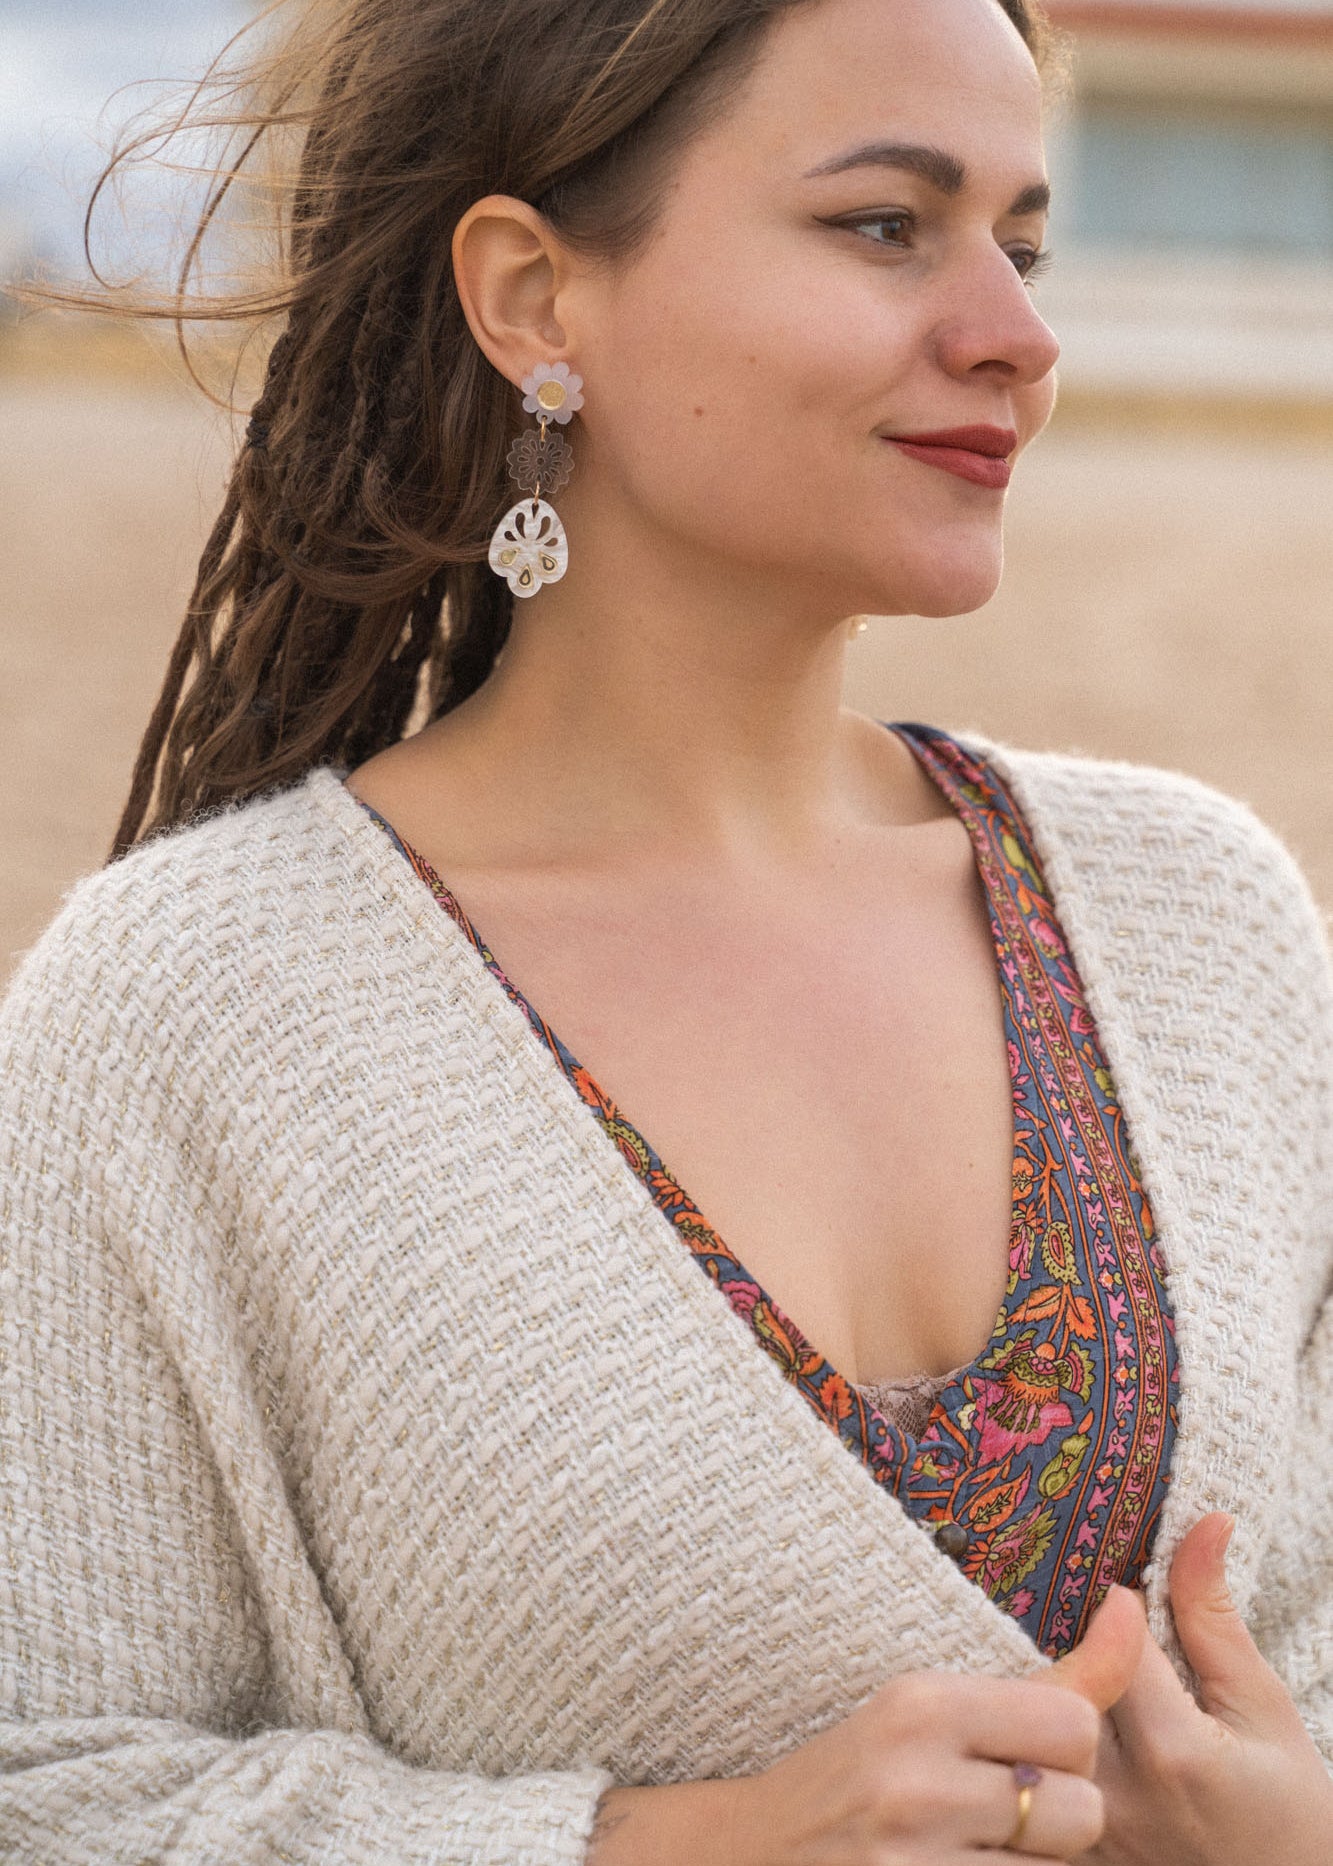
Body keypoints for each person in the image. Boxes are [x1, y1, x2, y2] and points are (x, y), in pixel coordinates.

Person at [2, 0, 1330, 1859]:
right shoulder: (185, 1014)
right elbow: (54, 1783)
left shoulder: (1207, 929)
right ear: (535, 298)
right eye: (887, 226)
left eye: (1024, 247)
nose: (1017, 338)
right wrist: (666, 1843)